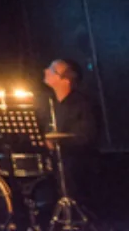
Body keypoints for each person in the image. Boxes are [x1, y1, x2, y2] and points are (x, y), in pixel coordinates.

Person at [42, 58, 99, 208]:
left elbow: (86, 136)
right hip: (56, 164)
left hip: (77, 165)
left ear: (66, 80)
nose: (45, 71)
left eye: (52, 70)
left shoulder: (83, 104)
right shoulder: (50, 104)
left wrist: (56, 140)